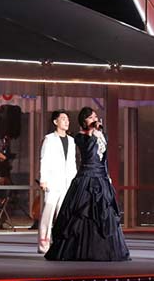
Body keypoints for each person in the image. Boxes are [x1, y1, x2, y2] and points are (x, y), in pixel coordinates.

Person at [45, 107, 130, 261]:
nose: (94, 119)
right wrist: (91, 133)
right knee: (81, 213)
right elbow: (90, 153)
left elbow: (104, 159)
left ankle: (106, 251)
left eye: (95, 116)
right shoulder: (80, 137)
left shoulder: (102, 135)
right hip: (86, 177)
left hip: (101, 178)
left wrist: (107, 175)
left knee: (105, 214)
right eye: (90, 117)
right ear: (84, 121)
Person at [37, 110, 77, 254]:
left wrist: (74, 180)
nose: (67, 121)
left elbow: (72, 162)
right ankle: (44, 243)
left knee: (64, 214)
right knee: (48, 212)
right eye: (63, 119)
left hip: (67, 182)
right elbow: (44, 159)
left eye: (68, 119)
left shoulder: (71, 141)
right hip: (53, 181)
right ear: (55, 122)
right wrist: (43, 179)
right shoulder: (49, 139)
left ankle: (61, 243)